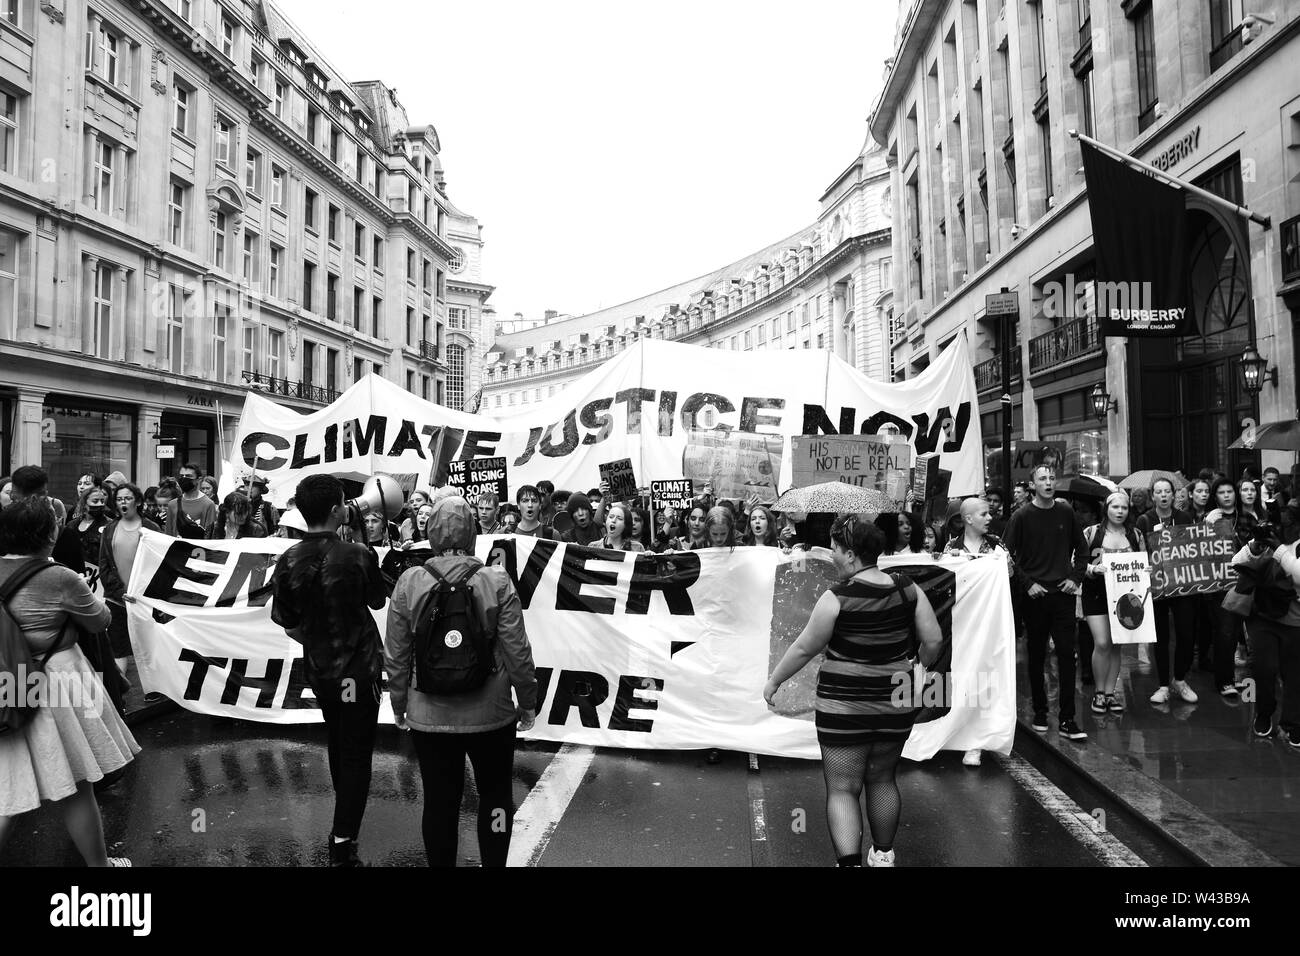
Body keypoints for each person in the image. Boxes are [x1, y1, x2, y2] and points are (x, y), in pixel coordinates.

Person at [764, 517, 942, 867]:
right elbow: (933, 639)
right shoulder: (907, 589)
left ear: (850, 554)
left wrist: (774, 682)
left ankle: (850, 864)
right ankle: (884, 855)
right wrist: (919, 665)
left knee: (843, 788)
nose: (831, 555)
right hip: (895, 701)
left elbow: (803, 649)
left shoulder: (836, 598)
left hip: (843, 707)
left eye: (834, 548)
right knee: (883, 778)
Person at [384, 495, 538, 866]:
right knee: (496, 796)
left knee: (439, 801)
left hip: (429, 713)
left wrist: (400, 706)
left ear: (430, 531)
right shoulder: (496, 579)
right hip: (492, 712)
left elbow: (396, 654)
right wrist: (527, 701)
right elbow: (517, 650)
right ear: (473, 531)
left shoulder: (409, 582)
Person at [0, 497, 139, 866]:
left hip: (9, 682)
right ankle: (100, 866)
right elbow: (100, 621)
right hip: (58, 680)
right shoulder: (59, 577)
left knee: (8, 785)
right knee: (77, 784)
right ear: (49, 534)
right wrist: (94, 597)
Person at [270, 474, 387, 867]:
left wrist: (317, 639)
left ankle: (344, 821)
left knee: (338, 743)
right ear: (338, 509)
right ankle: (342, 839)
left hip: (321, 670)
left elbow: (285, 621)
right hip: (360, 670)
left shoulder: (288, 559)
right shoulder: (356, 554)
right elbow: (376, 598)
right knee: (355, 753)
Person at [1003, 465, 1089, 740]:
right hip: (1035, 596)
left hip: (1063, 594)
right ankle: (1040, 711)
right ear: (1032, 484)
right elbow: (1006, 554)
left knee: (1066, 654)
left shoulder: (1066, 512)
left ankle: (1067, 719)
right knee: (1037, 654)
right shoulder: (1021, 516)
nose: (1048, 482)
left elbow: (1082, 548)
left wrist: (1075, 578)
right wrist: (1028, 584)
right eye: (1042, 479)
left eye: (1052, 478)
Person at [944, 496, 1015, 766]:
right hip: (963, 625)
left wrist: (1003, 564)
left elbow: (1009, 578)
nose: (989, 518)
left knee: (986, 677)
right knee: (963, 677)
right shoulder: (952, 546)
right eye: (984, 514)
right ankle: (956, 732)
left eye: (990, 514)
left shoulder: (996, 545)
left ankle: (976, 741)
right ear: (968, 518)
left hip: (990, 625)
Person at [1230, 529, 1300, 747]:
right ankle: (1263, 713)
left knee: (1294, 674)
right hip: (1262, 615)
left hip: (1295, 620)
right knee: (1264, 667)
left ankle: (1292, 723)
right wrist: (1254, 547)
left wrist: (1279, 549)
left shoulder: (1284, 544)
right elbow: (1236, 562)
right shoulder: (1268, 535)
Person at [1136, 478, 1198, 706]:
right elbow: (1138, 550)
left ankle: (1179, 679)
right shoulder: (1145, 520)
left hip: (1181, 583)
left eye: (1167, 491)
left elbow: (1194, 547)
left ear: (1174, 495)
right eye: (1159, 492)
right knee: (1160, 636)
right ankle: (1163, 685)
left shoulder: (1184, 518)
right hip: (1157, 584)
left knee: (1186, 633)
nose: (1163, 495)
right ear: (1153, 496)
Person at [1081, 492, 1142, 716]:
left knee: (1117, 644)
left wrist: (1146, 571)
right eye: (1115, 507)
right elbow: (1076, 562)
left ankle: (1109, 693)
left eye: (1124, 508)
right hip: (1095, 593)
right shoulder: (1091, 532)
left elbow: (1143, 560)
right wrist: (1091, 569)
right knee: (1103, 642)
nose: (1119, 511)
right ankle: (1098, 691)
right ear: (1106, 508)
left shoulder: (1135, 534)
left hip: (1125, 595)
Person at [98, 482, 161, 685]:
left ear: (138, 501)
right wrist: (120, 592)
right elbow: (104, 565)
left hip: (143, 601)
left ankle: (152, 689)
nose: (123, 502)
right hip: (117, 600)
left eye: (127, 498)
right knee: (117, 646)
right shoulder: (109, 530)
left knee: (147, 646)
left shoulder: (151, 528)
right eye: (119, 499)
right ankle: (120, 692)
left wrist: (140, 593)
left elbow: (158, 565)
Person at [1205, 477, 1255, 697]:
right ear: (1215, 497)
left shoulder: (1246, 518)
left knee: (1250, 634)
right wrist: (1208, 524)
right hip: (1220, 584)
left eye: (1229, 492)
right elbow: (1199, 552)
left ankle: (1255, 680)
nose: (1226, 495)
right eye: (1221, 493)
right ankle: (1225, 680)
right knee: (1226, 633)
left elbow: (1257, 548)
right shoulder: (1208, 518)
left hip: (1246, 581)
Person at [175, 463, 218, 536]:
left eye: (188, 476)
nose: (184, 478)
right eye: (182, 476)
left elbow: (209, 536)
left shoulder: (209, 505)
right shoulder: (173, 504)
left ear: (198, 480)